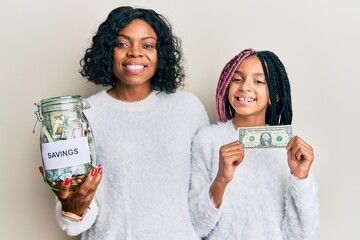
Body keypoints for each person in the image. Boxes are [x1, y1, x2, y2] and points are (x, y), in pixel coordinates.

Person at [41, 6, 209, 240]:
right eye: (122, 44)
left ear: (161, 53)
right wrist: (73, 209)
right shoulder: (84, 115)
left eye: (147, 45)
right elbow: (73, 217)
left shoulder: (188, 108)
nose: (135, 53)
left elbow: (205, 198)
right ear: (108, 51)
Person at [189, 48, 319, 239]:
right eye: (237, 79)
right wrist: (221, 180)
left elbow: (300, 235)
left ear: (274, 96)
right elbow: (195, 227)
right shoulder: (207, 140)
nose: (244, 87)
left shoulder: (289, 150)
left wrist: (300, 178)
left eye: (258, 81)